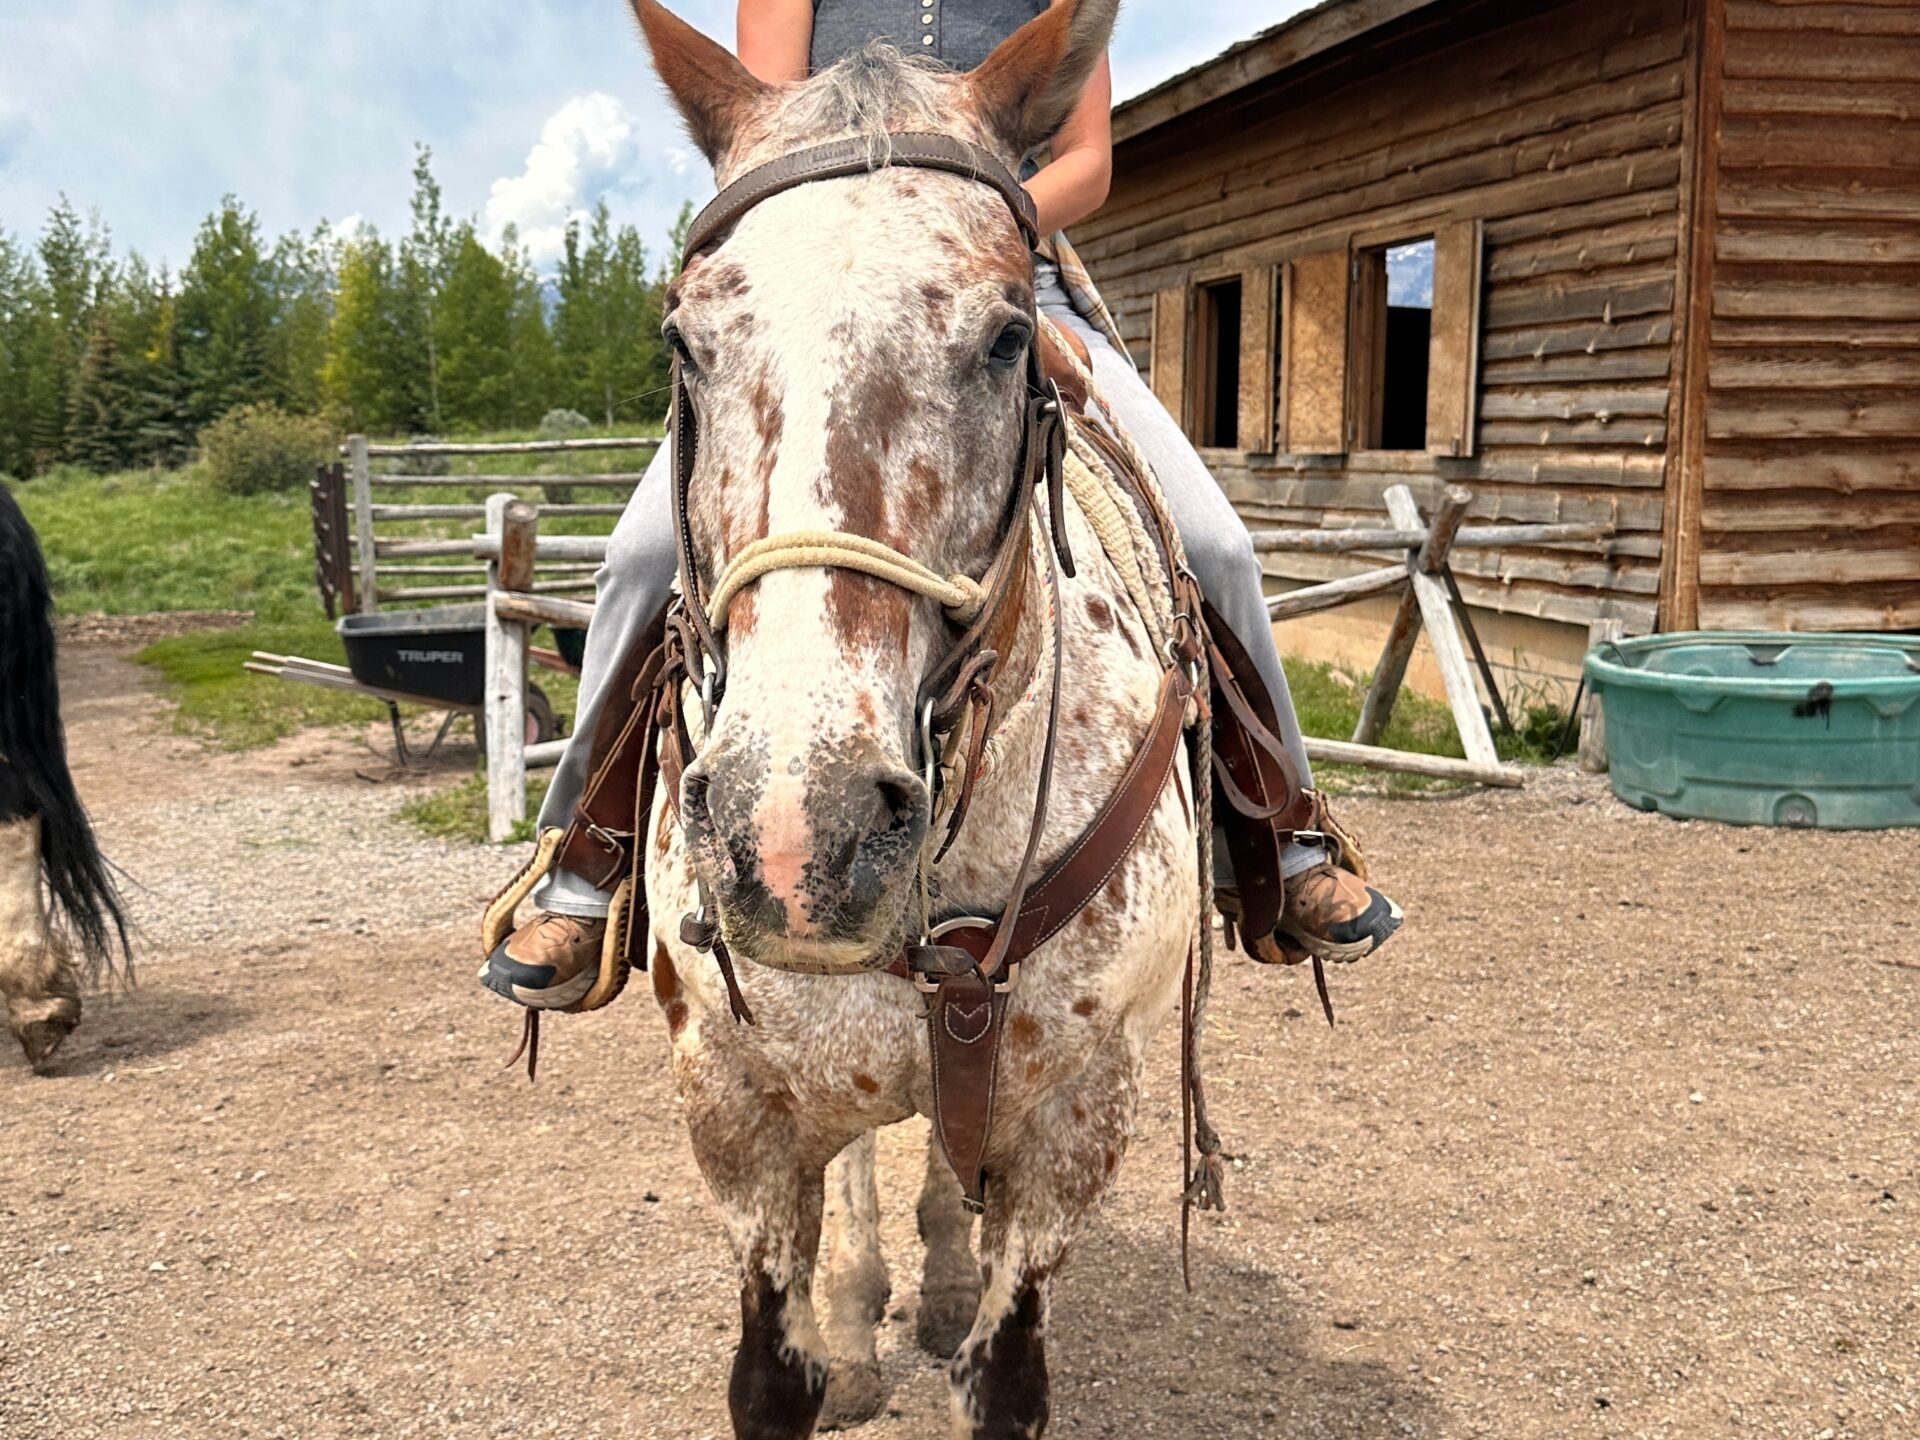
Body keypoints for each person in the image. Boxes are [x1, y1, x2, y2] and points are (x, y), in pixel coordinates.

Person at [482, 0, 1401, 1011]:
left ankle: (1277, 836)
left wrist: (972, 233)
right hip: (819, 284)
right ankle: (589, 861)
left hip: (993, 278)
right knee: (644, 554)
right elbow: (757, 142)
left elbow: (1086, 162)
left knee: (1218, 545)